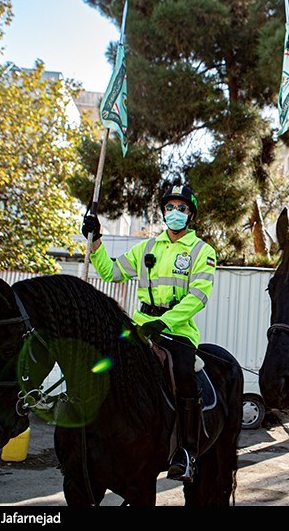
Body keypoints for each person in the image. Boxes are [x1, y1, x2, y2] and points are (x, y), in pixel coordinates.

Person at [82, 183, 216, 483]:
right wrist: (97, 242)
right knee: (103, 364)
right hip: (140, 327)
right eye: (170, 207)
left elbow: (198, 296)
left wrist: (165, 322)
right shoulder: (147, 247)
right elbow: (111, 273)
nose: (175, 213)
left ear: (190, 215)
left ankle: (187, 452)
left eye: (181, 208)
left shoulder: (202, 251)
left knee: (184, 376)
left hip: (178, 332)